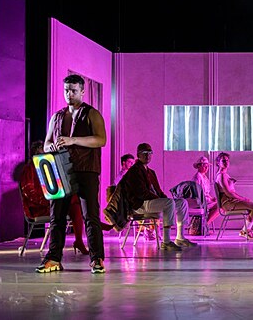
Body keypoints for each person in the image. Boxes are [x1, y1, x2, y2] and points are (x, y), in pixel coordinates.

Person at [37, 74, 108, 274]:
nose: (69, 94)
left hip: (87, 169)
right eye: (67, 90)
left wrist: (73, 140)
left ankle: (97, 259)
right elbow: (46, 143)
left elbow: (101, 140)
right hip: (61, 169)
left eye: (74, 91)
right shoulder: (57, 116)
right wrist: (51, 146)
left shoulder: (92, 114)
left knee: (91, 215)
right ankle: (53, 258)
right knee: (57, 216)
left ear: (82, 92)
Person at [121, 142, 196, 249]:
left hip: (151, 201)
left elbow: (158, 191)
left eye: (149, 153)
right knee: (169, 203)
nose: (147, 155)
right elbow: (141, 193)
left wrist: (164, 198)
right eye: (144, 153)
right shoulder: (134, 171)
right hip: (140, 204)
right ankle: (166, 241)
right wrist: (162, 200)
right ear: (138, 155)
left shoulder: (151, 172)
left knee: (182, 203)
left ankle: (180, 237)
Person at [20, 140, 90, 255]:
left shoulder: (48, 164)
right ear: (37, 150)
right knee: (75, 204)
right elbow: (29, 192)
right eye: (43, 148)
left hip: (49, 201)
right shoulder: (29, 169)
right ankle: (86, 233)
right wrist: (48, 201)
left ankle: (79, 239)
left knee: (74, 203)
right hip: (38, 206)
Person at [215, 152, 253, 240]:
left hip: (231, 201)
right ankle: (245, 231)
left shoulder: (225, 175)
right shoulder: (221, 176)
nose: (226, 162)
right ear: (218, 163)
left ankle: (245, 230)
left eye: (227, 160)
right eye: (223, 161)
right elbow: (229, 193)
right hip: (228, 203)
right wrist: (243, 199)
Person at [191, 156, 219, 226]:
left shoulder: (205, 178)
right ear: (199, 166)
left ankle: (203, 225)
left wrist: (211, 198)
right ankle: (204, 226)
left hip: (205, 199)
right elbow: (197, 193)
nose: (206, 168)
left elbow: (206, 192)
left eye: (207, 166)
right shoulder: (197, 177)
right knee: (219, 207)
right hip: (199, 201)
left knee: (220, 206)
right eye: (204, 166)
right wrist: (209, 199)